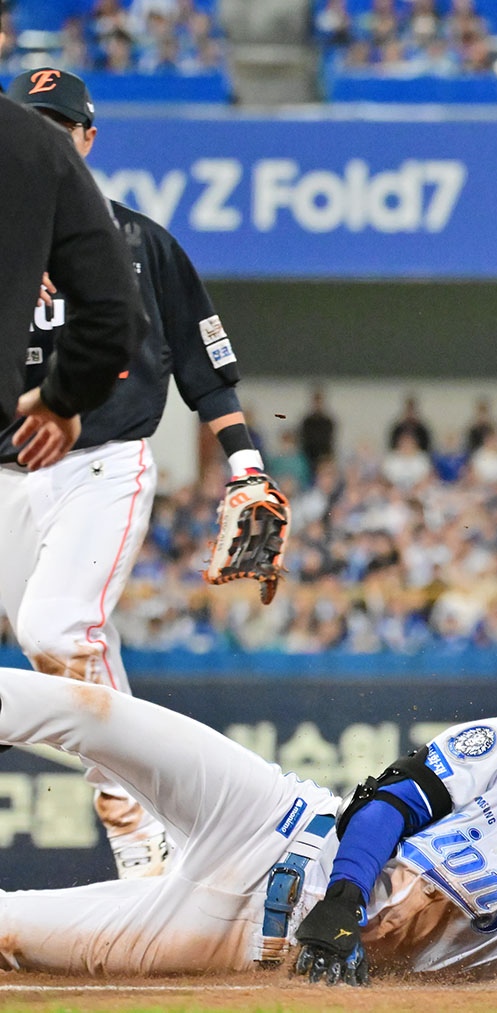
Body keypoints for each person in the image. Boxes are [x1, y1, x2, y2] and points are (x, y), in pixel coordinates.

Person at [0, 609, 497, 982]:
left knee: (9, 930)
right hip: (276, 817)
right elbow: (394, 798)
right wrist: (345, 897)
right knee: (81, 708)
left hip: (238, 934)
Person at [1, 67, 280, 879]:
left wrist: (247, 467)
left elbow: (204, 368)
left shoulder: (137, 240)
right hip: (8, 479)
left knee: (57, 632)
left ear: (89, 138)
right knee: (74, 654)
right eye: (32, 124)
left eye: (63, 125)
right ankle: (163, 834)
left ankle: (140, 836)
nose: (47, 137)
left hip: (102, 465)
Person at [0, 51, 145, 474]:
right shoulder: (35, 146)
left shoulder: (147, 239)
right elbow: (115, 314)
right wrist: (61, 398)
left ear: (90, 135)